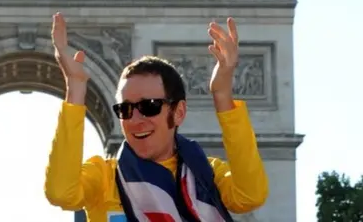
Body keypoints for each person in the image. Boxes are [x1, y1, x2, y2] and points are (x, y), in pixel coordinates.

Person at [44, 12, 268, 222]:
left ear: (178, 112)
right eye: (125, 109)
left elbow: (250, 196)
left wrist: (223, 96)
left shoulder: (207, 175)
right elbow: (61, 193)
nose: (135, 119)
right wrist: (76, 89)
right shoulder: (103, 177)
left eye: (149, 106)